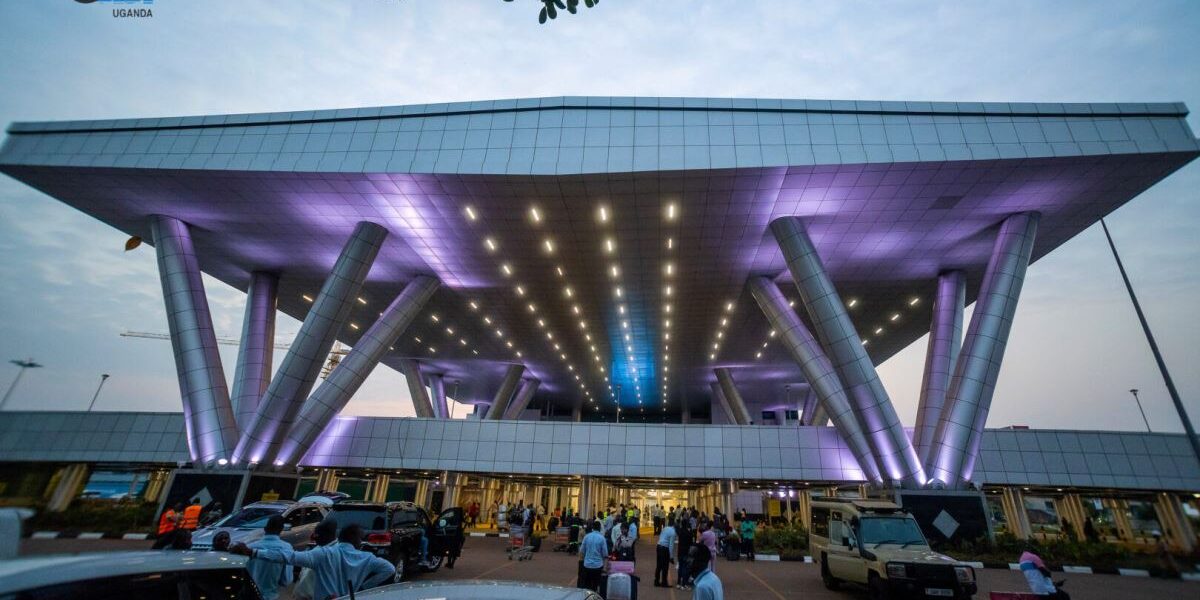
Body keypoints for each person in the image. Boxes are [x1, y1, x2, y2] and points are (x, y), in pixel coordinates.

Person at [232, 524, 395, 599]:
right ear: (355, 539)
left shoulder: (323, 554)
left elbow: (289, 557)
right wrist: (363, 588)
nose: (362, 542)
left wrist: (253, 552)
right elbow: (389, 569)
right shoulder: (367, 558)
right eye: (361, 538)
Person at [245, 515, 293, 600]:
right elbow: (287, 580)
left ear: (265, 529)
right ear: (281, 529)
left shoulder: (250, 547)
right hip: (271, 595)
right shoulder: (286, 548)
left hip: (249, 595)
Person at [293, 518, 338, 600]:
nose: (314, 537)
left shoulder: (333, 553)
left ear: (328, 534)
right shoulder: (318, 548)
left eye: (317, 534)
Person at [577, 520, 607, 592]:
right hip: (598, 566)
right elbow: (605, 553)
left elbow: (582, 550)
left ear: (593, 528)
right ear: (599, 528)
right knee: (595, 585)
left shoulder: (587, 537)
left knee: (587, 584)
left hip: (587, 565)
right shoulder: (602, 538)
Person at [655, 517, 678, 587]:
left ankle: (656, 581)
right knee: (665, 566)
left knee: (659, 565)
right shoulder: (673, 533)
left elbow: (661, 537)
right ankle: (664, 582)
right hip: (664, 548)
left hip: (658, 546)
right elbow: (671, 546)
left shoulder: (665, 528)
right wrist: (671, 557)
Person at [676, 513, 694, 589]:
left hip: (680, 551)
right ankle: (684, 584)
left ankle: (678, 583)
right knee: (685, 567)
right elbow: (691, 543)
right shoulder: (689, 533)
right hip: (686, 551)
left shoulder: (680, 532)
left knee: (680, 567)